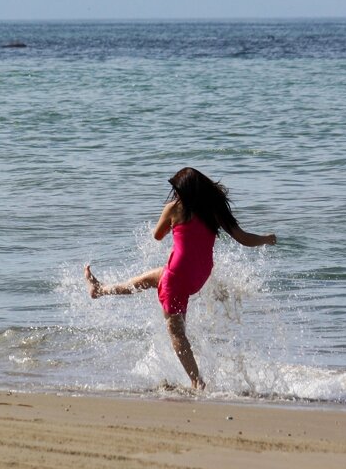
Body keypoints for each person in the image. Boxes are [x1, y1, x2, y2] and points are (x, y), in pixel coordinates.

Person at [84, 167, 275, 390]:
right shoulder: (213, 209)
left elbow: (157, 235)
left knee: (176, 333)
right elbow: (243, 238)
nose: (175, 193)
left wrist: (172, 222)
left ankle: (196, 381)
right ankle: (100, 289)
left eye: (176, 190)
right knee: (148, 279)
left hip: (177, 278)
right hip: (198, 276)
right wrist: (266, 239)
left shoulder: (175, 208)